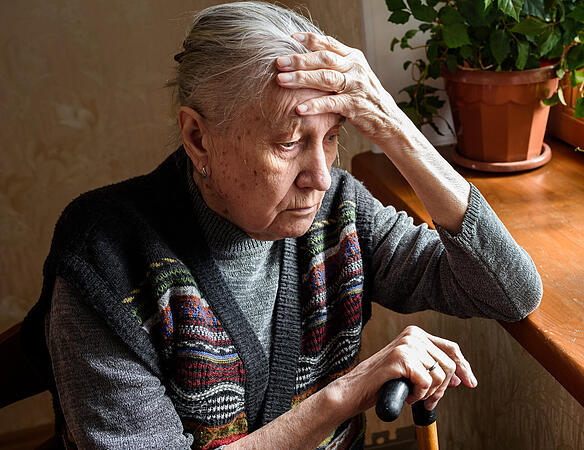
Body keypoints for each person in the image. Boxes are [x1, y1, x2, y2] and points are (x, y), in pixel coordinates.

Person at [21, 2, 543, 449]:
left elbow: (509, 291)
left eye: (333, 135)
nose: (320, 175)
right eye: (289, 143)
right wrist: (343, 396)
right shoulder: (104, 262)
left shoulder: (339, 210)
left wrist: (392, 123)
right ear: (199, 138)